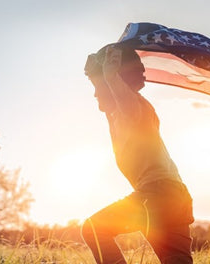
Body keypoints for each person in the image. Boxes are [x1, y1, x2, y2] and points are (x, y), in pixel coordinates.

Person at [81, 44, 194, 264]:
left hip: (157, 195)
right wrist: (101, 71)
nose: (95, 94)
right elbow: (112, 102)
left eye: (98, 86)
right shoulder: (117, 117)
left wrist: (110, 76)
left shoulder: (134, 111)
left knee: (94, 229)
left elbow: (125, 101)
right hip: (174, 198)